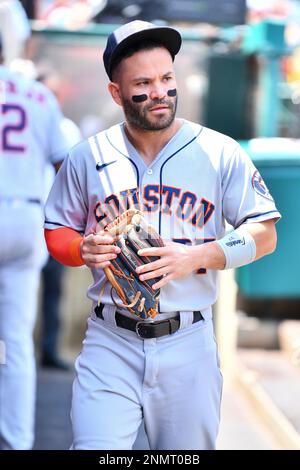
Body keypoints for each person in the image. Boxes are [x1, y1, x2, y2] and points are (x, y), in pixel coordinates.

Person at [44, 20, 281, 450]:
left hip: (188, 342)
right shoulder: (87, 156)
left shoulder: (219, 150)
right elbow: (56, 231)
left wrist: (198, 256)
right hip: (110, 341)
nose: (160, 91)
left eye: (166, 78)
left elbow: (264, 233)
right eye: (144, 83)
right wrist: (81, 247)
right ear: (116, 93)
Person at [0, 34, 69, 449]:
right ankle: (18, 441)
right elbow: (64, 163)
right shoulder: (38, 94)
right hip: (26, 215)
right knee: (16, 342)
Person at [37, 67, 82, 370]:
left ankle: (49, 350)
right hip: (26, 215)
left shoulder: (66, 127)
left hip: (53, 222)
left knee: (53, 291)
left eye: (55, 94)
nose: (51, 100)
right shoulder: (34, 118)